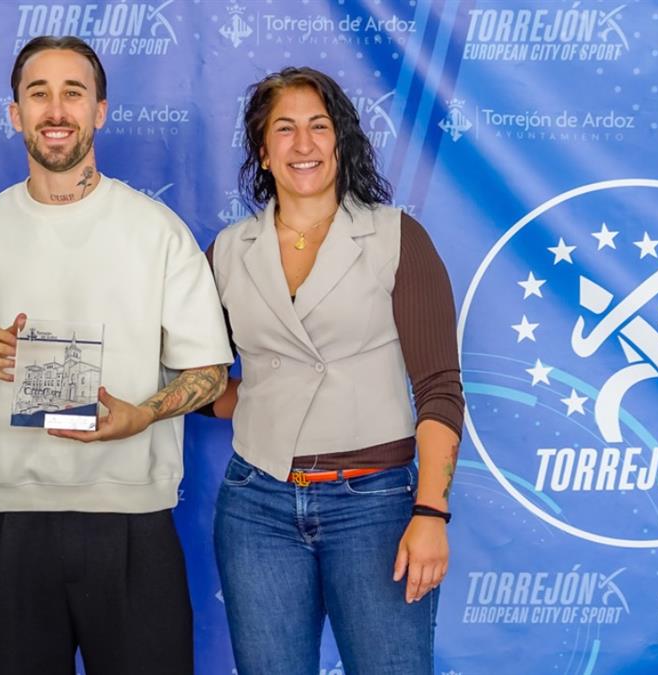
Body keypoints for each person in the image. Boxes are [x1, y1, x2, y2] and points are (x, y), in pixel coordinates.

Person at [0, 35, 232, 675]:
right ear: (15, 113)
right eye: (39, 94)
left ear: (101, 111)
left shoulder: (156, 230)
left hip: (133, 519)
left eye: (74, 93)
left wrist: (141, 416)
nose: (56, 109)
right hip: (13, 521)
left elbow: (209, 372)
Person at [204, 66, 465, 674]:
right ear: (262, 152)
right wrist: (263, 396)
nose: (304, 145)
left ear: (340, 141)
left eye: (319, 127)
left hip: (374, 506)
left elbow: (439, 391)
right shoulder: (227, 251)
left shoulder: (397, 238)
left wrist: (430, 512)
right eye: (285, 130)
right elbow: (203, 384)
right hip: (255, 507)